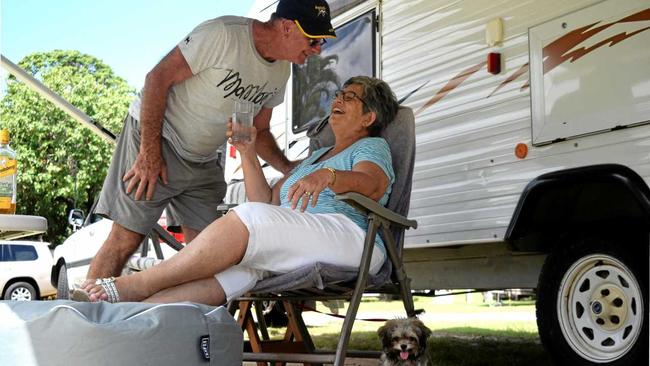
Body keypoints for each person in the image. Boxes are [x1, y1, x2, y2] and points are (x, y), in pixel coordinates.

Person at [76, 76, 400, 305]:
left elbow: (372, 184)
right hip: (302, 241)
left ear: (369, 116)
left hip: (354, 241)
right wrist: (246, 152)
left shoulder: (372, 146)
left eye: (350, 97)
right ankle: (126, 312)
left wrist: (329, 176)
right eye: (339, 94)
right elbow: (267, 203)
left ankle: (135, 284)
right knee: (233, 273)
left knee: (249, 218)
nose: (337, 99)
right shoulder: (313, 159)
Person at [85, 0, 337, 282]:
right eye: (313, 40)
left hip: (205, 159)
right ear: (288, 27)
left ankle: (194, 324)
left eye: (321, 42)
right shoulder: (223, 34)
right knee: (126, 239)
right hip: (160, 141)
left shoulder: (281, 71)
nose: (317, 49)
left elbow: (260, 130)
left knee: (208, 254)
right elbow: (157, 78)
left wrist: (287, 167)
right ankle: (81, 318)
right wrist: (149, 152)